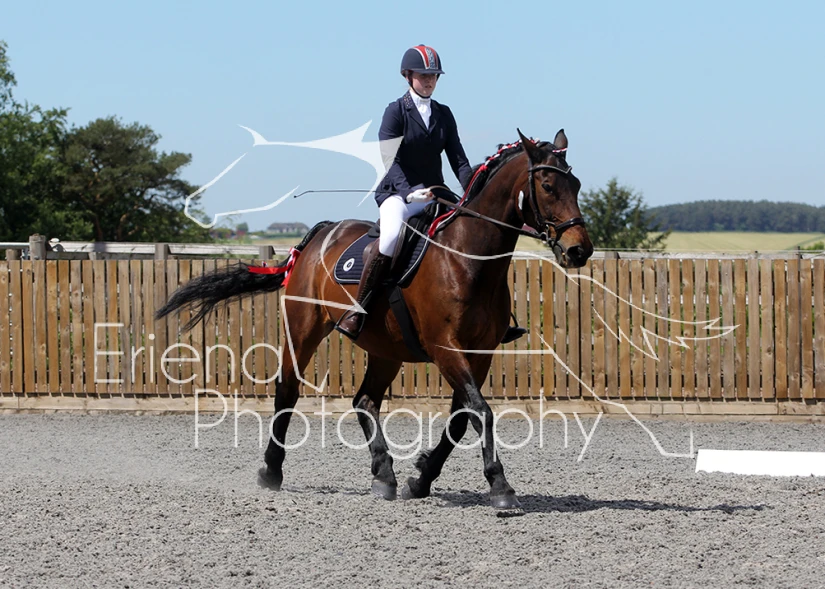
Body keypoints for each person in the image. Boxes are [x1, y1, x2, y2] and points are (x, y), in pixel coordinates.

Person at [336, 45, 526, 344]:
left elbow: (459, 160)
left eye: (434, 76)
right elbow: (389, 159)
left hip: (437, 193)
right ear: (408, 76)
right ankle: (358, 311)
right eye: (423, 75)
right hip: (398, 194)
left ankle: (494, 316)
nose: (429, 81)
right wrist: (409, 192)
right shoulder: (395, 111)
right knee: (389, 238)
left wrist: (473, 193)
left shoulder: (443, 113)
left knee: (473, 236)